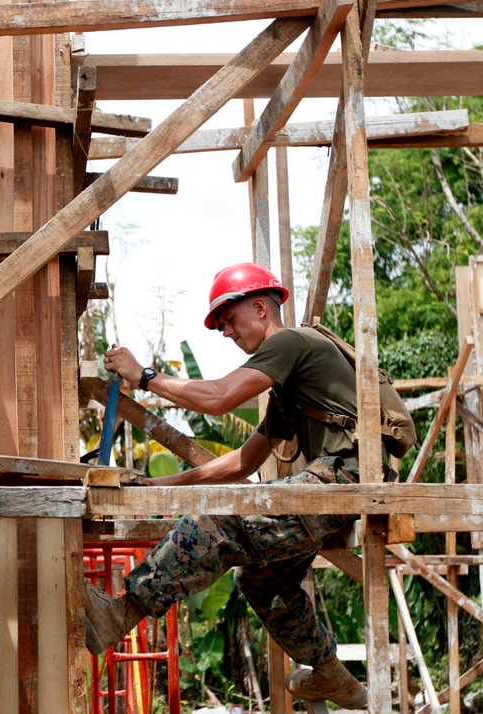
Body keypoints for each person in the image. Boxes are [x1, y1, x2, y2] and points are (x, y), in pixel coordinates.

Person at [87, 262, 369, 709]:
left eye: (228, 320)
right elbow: (243, 462)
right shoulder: (292, 388)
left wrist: (144, 377)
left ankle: (122, 613)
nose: (224, 332)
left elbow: (218, 399)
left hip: (343, 479)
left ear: (260, 307)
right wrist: (163, 486)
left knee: (218, 522)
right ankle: (332, 677)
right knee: (260, 580)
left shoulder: (291, 342)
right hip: (336, 483)